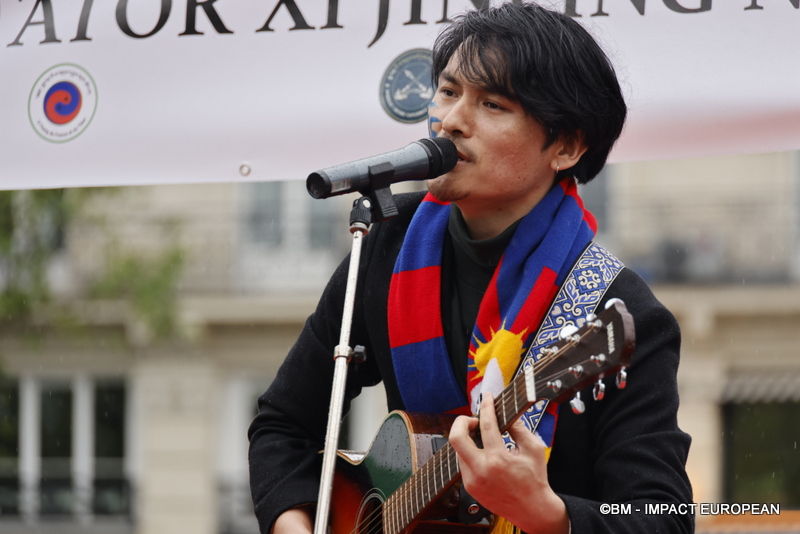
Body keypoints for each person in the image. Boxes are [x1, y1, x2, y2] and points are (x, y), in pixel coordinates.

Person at [248, 3, 693, 534]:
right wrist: (293, 524)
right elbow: (282, 423)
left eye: (492, 104)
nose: (451, 120)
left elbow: (663, 517)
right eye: (449, 91)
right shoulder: (385, 246)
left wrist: (548, 514)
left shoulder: (621, 310)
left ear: (568, 146)